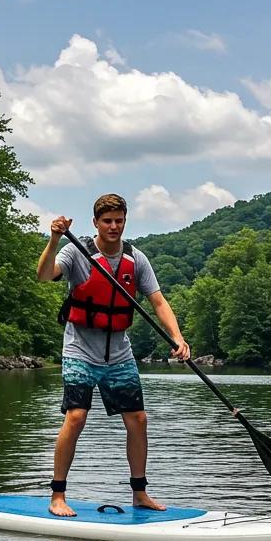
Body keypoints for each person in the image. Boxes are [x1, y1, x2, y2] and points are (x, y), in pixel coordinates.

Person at [36, 193, 190, 517]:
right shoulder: (76, 252)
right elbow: (44, 274)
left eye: (119, 220)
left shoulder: (136, 259)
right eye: (107, 221)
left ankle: (140, 493)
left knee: (138, 420)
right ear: (96, 223)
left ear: (125, 221)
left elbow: (159, 301)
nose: (114, 226)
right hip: (79, 349)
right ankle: (57, 496)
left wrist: (177, 337)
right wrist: (53, 240)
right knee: (76, 417)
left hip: (119, 354)